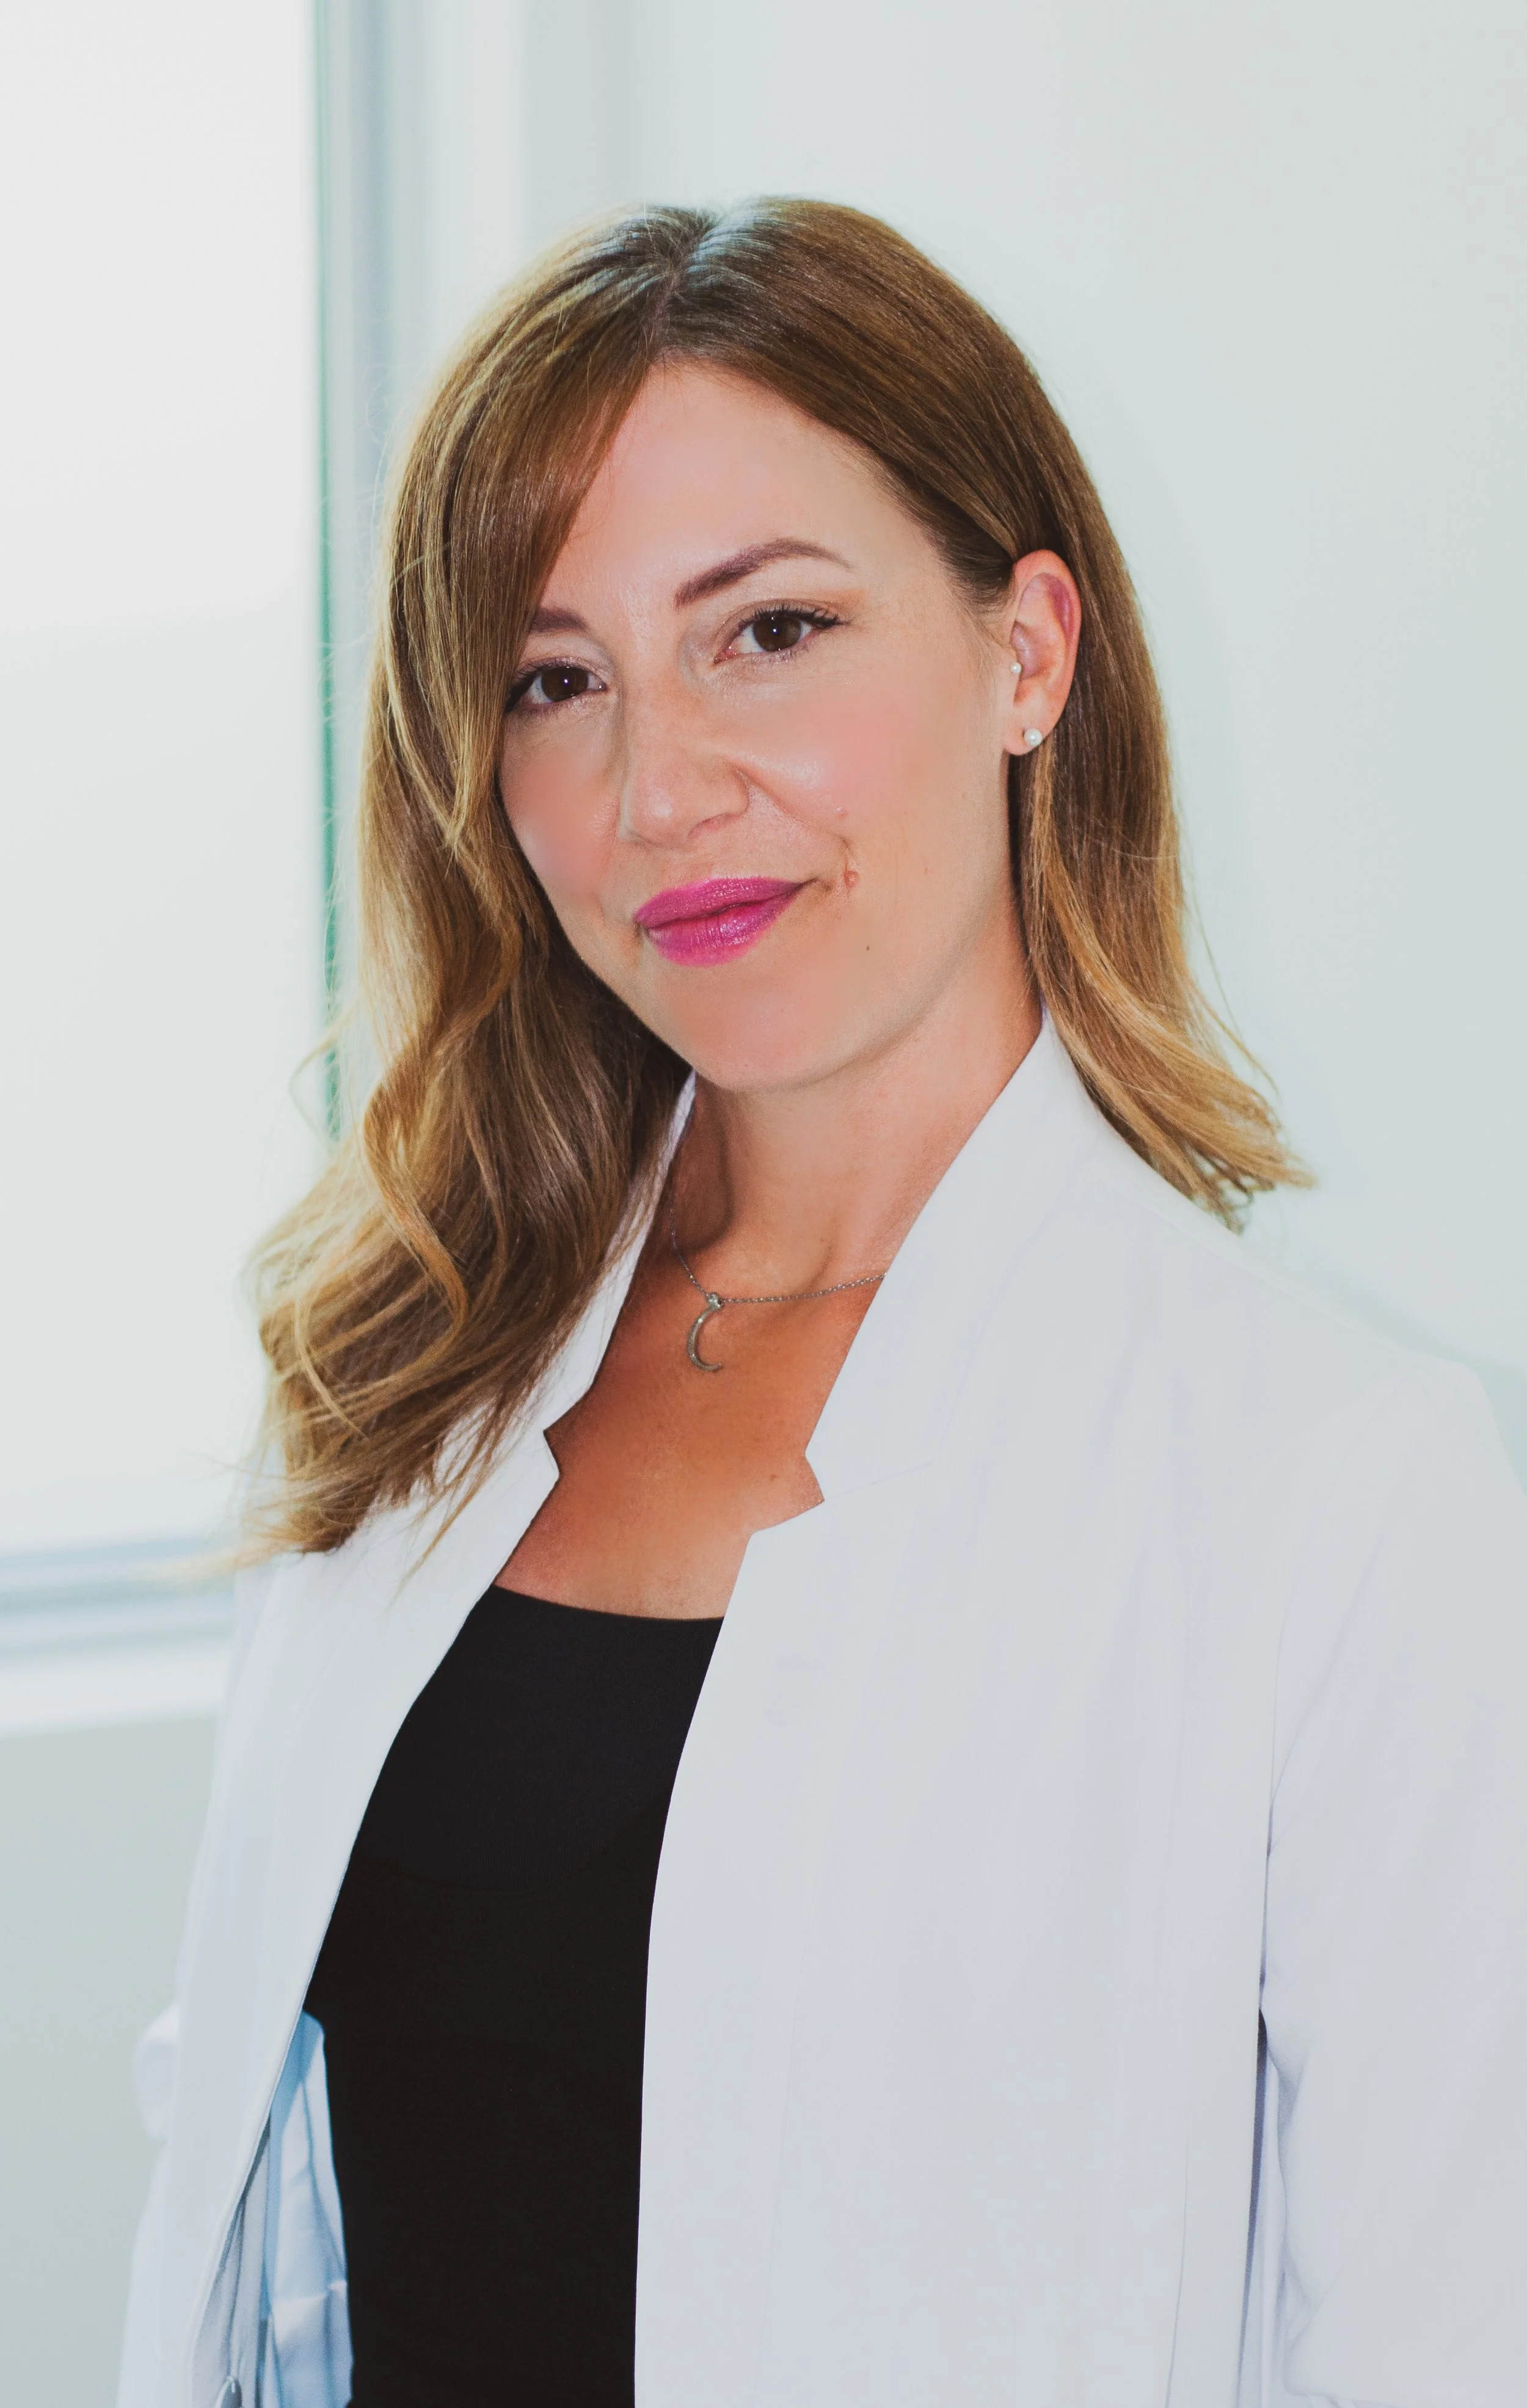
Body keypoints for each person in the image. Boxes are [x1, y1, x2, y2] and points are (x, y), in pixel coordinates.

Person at [118, 200, 1526, 2408]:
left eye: (766, 631)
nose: (657, 788)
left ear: (1026, 650)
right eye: (552, 679)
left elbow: (1439, 2339)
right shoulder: (419, 1375)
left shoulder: (1338, 1495)